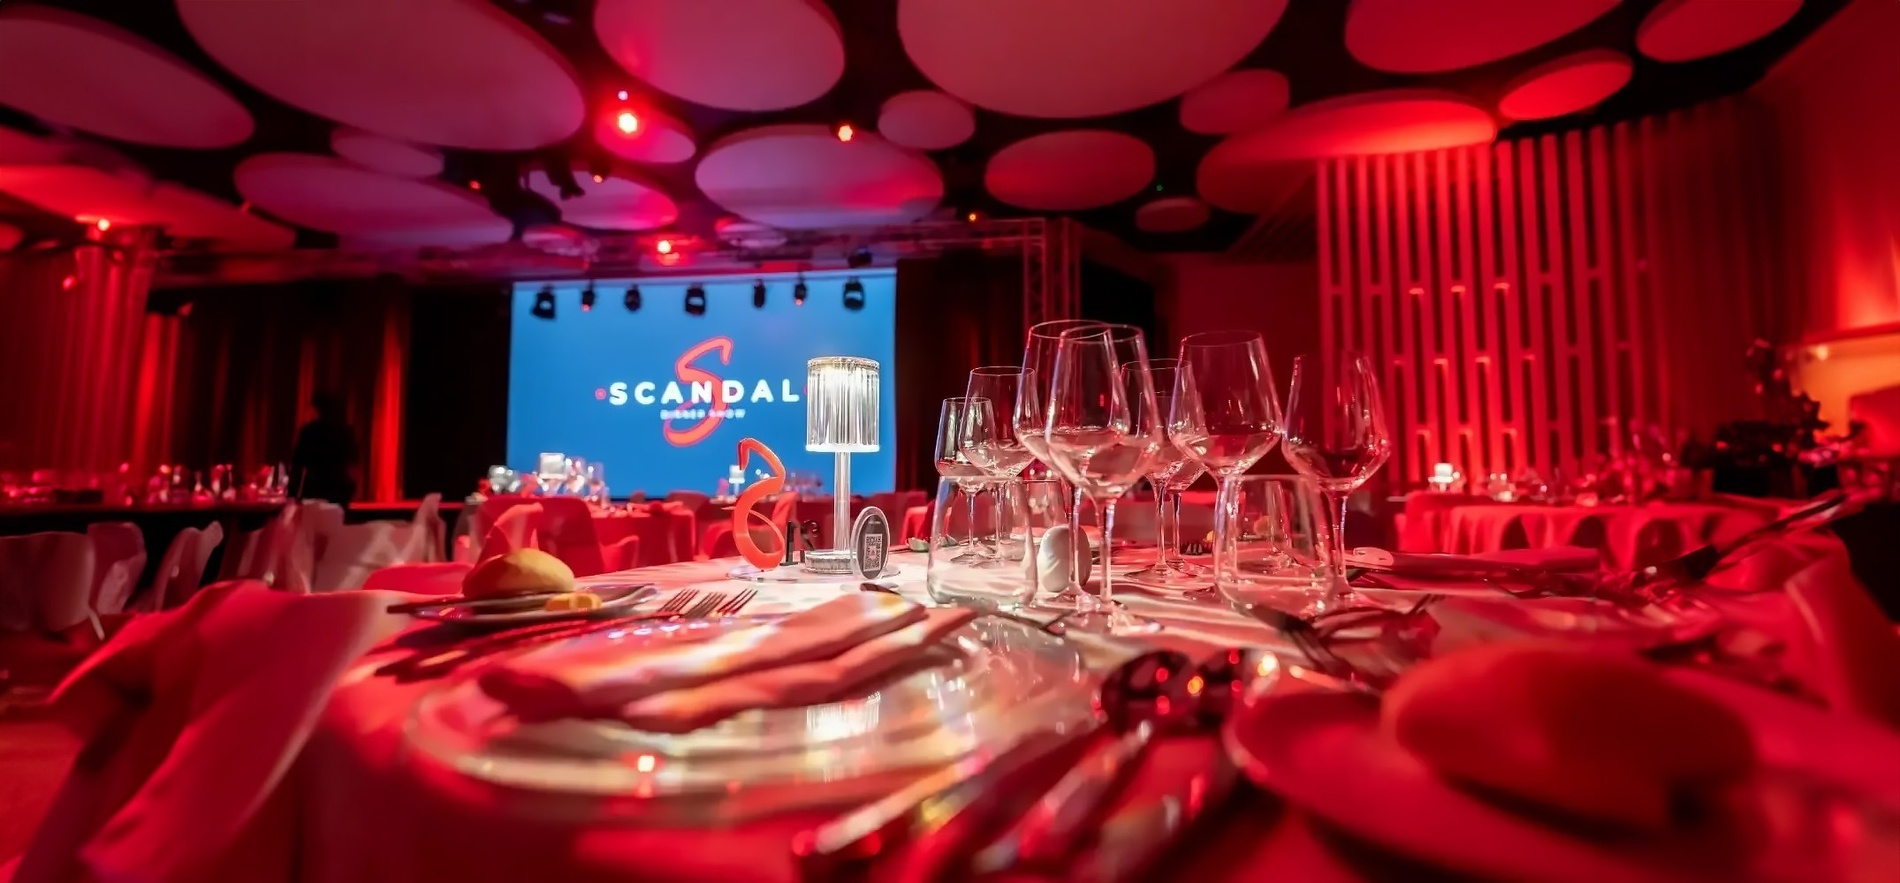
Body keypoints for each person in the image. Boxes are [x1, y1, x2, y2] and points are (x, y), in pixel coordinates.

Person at [291, 391, 359, 505]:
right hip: (339, 486)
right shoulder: (345, 431)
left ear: (318, 409)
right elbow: (353, 461)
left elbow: (298, 462)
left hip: (314, 487)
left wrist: (293, 490)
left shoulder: (309, 431)